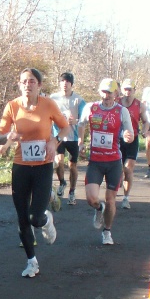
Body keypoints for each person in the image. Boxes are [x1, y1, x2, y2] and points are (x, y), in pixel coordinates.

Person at [0, 68, 70, 278]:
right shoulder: (12, 106)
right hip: (21, 165)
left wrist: (54, 142)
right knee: (22, 217)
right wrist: (6, 139)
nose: (27, 85)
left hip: (43, 166)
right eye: (24, 81)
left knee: (34, 217)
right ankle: (32, 262)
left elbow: (65, 128)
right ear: (19, 84)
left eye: (32, 81)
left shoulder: (48, 104)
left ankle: (46, 220)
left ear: (39, 85)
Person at [79, 79, 134, 245]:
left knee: (110, 200)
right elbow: (81, 124)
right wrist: (80, 142)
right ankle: (98, 208)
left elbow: (129, 133)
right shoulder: (91, 108)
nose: (106, 96)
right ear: (99, 92)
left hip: (113, 162)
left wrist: (128, 137)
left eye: (110, 92)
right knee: (91, 198)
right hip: (95, 161)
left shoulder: (122, 111)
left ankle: (107, 232)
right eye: (104, 92)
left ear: (116, 93)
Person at [51, 72, 86, 205]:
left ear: (71, 84)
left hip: (73, 137)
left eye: (67, 82)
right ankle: (62, 182)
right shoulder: (53, 98)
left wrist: (75, 121)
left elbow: (84, 119)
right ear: (59, 83)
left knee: (72, 165)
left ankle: (72, 191)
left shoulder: (78, 100)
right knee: (59, 161)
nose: (64, 84)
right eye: (62, 81)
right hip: (58, 135)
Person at [117, 79, 143, 209]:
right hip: (117, 140)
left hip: (133, 139)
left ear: (134, 90)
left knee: (128, 168)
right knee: (118, 168)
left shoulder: (139, 105)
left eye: (130, 89)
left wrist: (145, 130)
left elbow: (146, 121)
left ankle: (126, 198)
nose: (127, 92)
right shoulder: (116, 102)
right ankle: (119, 178)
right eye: (125, 89)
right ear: (122, 90)